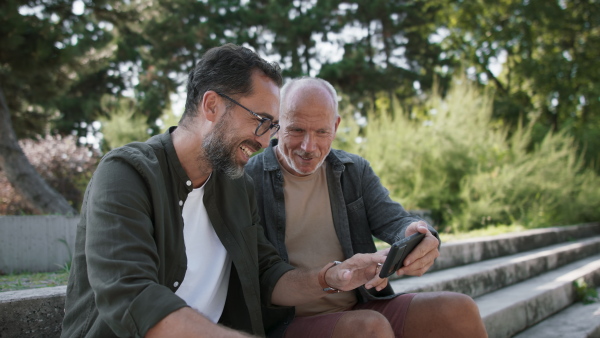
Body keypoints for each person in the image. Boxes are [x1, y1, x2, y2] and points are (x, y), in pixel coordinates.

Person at [61, 45, 390, 338]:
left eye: (272, 127)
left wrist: (332, 276)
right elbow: (132, 295)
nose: (264, 141)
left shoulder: (236, 186)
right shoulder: (126, 173)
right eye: (260, 120)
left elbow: (267, 275)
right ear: (211, 105)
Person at [246, 77, 488, 338]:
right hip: (288, 322)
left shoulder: (354, 171)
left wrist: (418, 234)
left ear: (336, 126)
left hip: (360, 304)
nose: (309, 147)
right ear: (275, 125)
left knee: (459, 309)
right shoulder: (249, 180)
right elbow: (261, 277)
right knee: (369, 328)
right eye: (296, 130)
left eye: (321, 132)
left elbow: (395, 221)